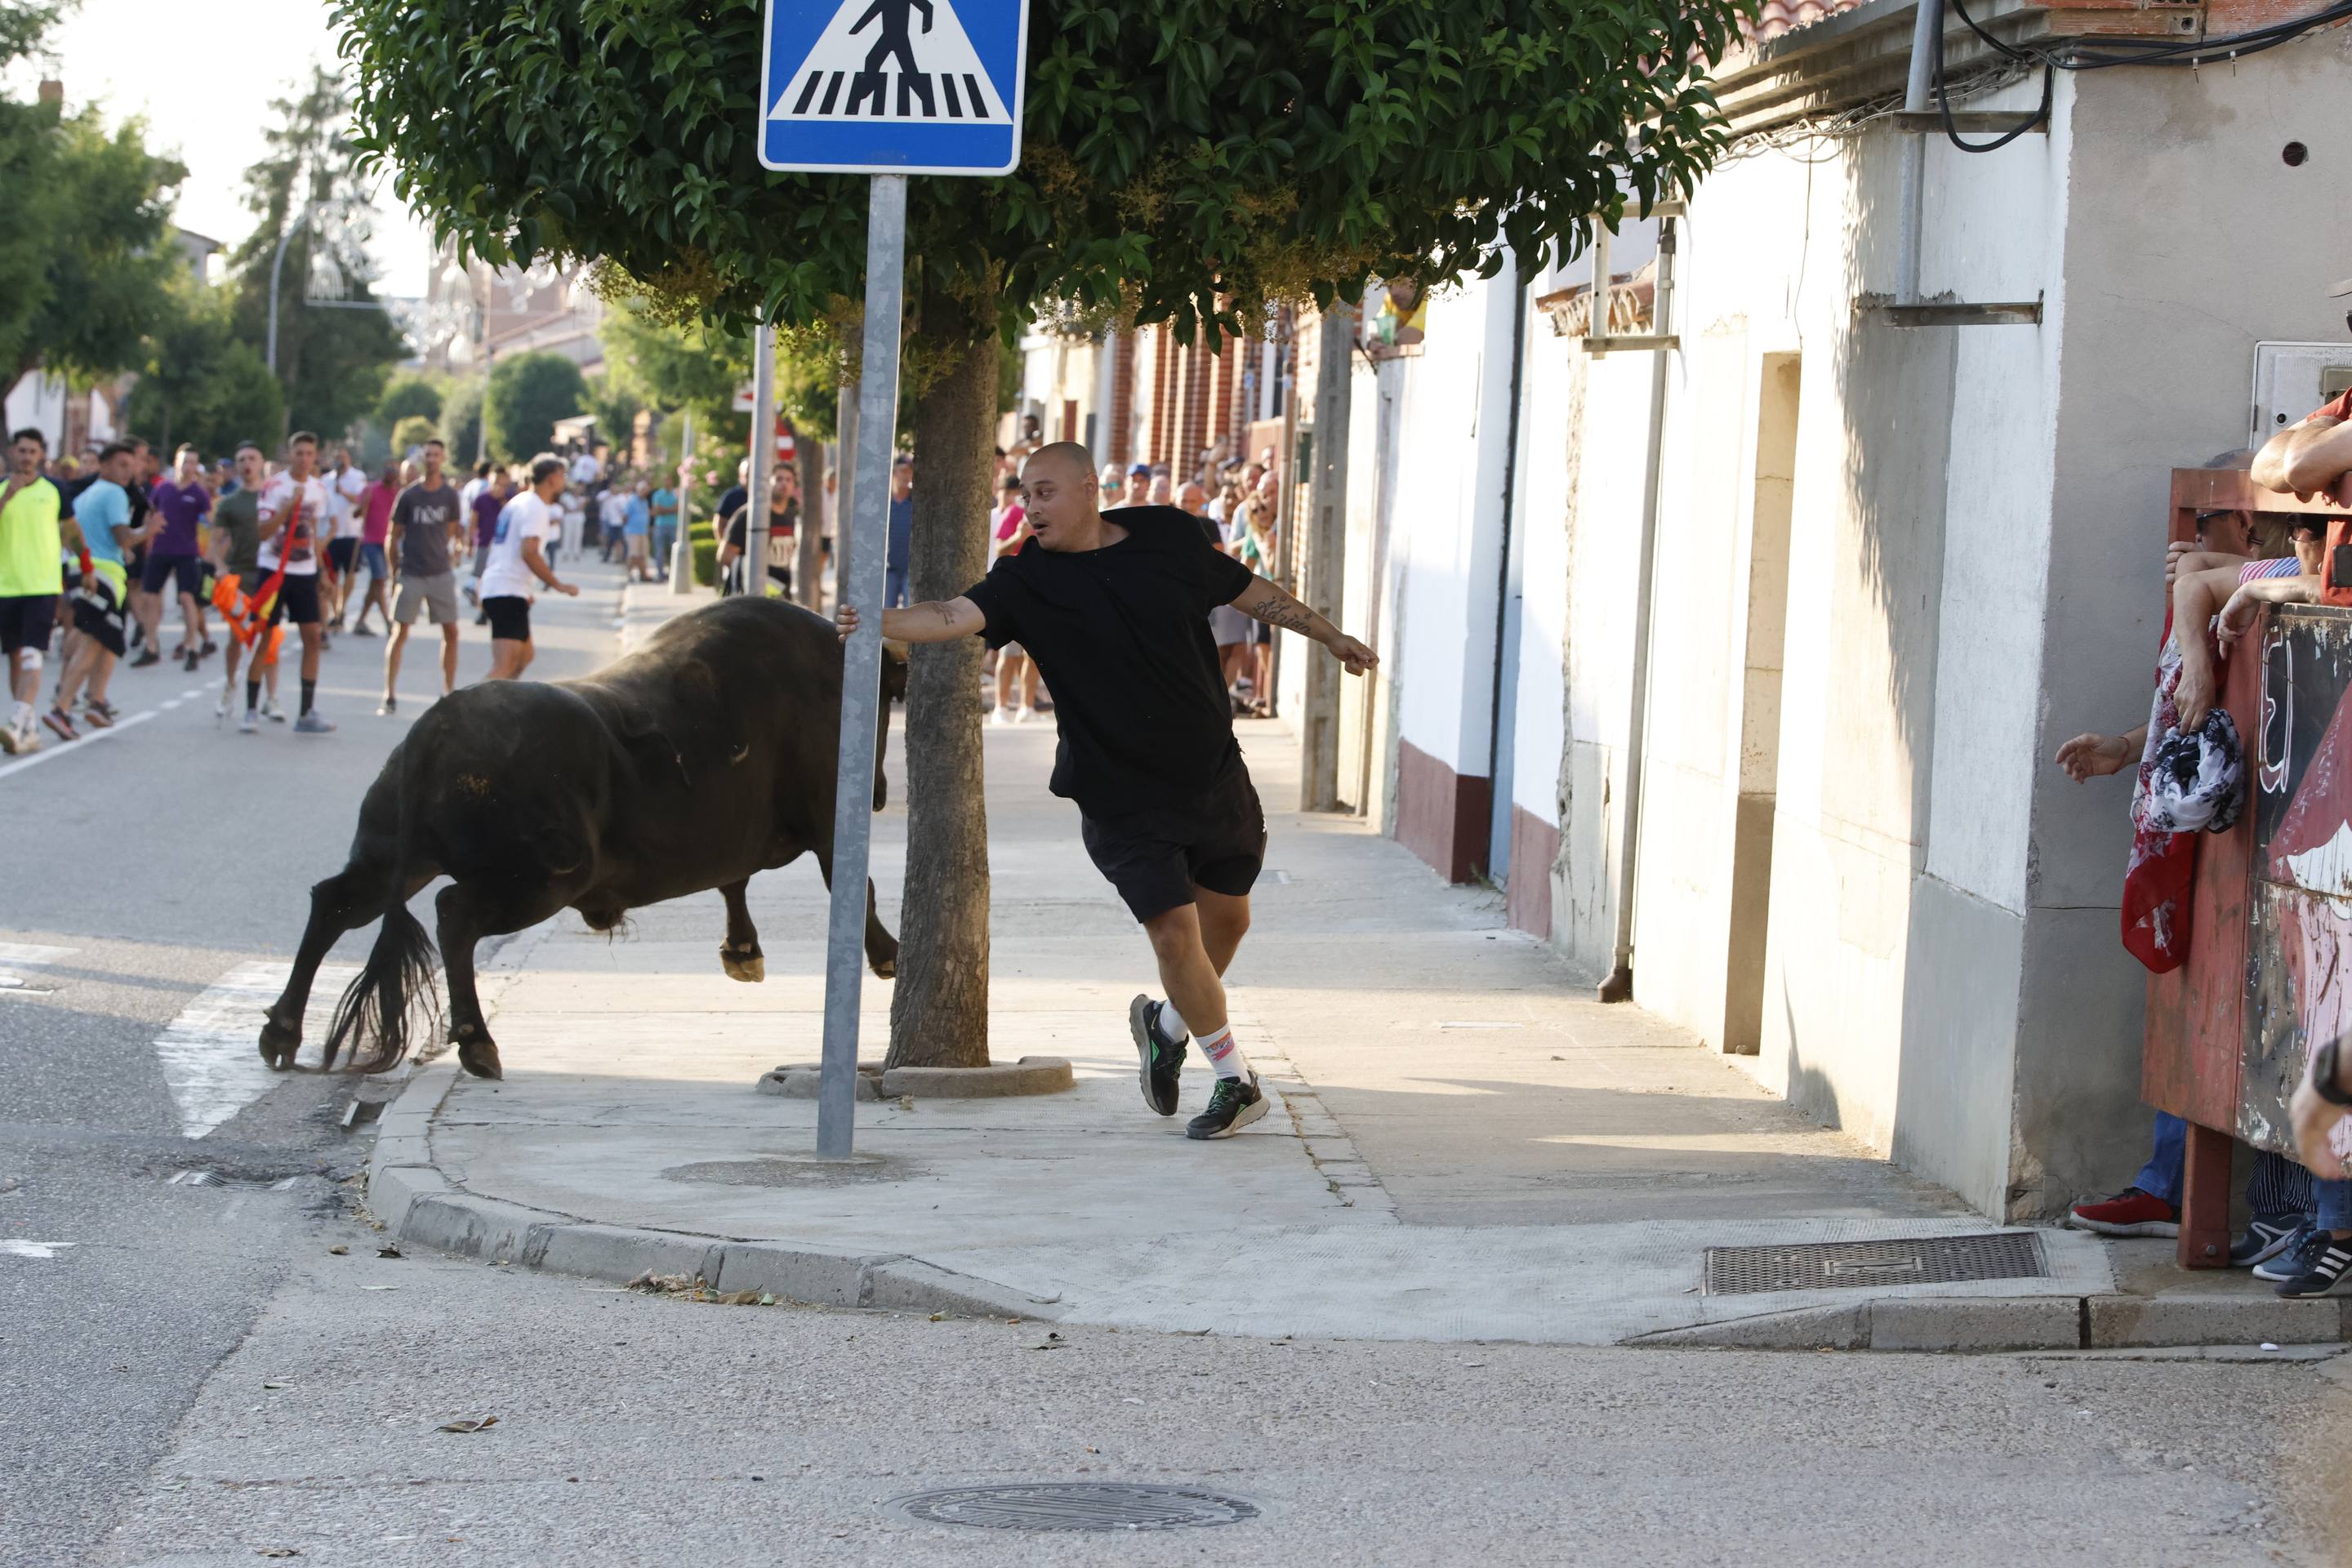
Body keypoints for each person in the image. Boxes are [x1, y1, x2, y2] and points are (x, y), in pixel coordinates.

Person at [835, 442, 1379, 1139]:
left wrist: (1331, 636)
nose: (1030, 507)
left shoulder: (1168, 536)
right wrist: (875, 623)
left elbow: (1250, 592)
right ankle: (1236, 1080)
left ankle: (1166, 1026)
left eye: (1045, 492)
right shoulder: (1024, 580)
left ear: (1090, 488)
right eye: (1024, 494)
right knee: (1175, 935)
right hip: (1118, 794)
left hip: (1213, 777)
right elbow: (949, 615)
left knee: (1228, 925)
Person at [47, 442, 157, 739]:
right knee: (92, 641)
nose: (128, 471)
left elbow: (75, 535)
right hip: (101, 576)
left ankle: (96, 701)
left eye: (130, 466)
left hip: (86, 570)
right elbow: (123, 537)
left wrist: (117, 553)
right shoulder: (114, 493)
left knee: (107, 639)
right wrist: (148, 531)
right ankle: (62, 708)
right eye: (122, 465)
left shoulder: (88, 494)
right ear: (104, 465)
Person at [251, 432, 336, 734]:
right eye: (299, 453)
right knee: (265, 639)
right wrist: (288, 506)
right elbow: (263, 532)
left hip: (305, 572)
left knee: (313, 638)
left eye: (309, 454)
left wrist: (322, 572)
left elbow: (313, 531)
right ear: (290, 455)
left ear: (316, 457)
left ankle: (306, 713)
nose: (304, 459)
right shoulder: (274, 486)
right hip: (274, 570)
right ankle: (251, 710)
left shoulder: (319, 489)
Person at [381, 438, 467, 715]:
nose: (431, 459)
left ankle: (448, 692)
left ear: (443, 459)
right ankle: (389, 694)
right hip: (412, 572)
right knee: (400, 632)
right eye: (427, 455)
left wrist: (451, 550)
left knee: (451, 631)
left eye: (436, 455)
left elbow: (451, 529)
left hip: (440, 571)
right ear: (422, 459)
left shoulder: (450, 495)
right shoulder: (409, 495)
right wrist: (393, 571)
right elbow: (393, 535)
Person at [478, 453, 580, 680]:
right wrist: (558, 585)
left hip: (507, 587)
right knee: (505, 665)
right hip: (506, 589)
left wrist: (525, 590)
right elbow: (529, 552)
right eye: (562, 476)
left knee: (524, 657)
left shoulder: (520, 501)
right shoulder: (535, 507)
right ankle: (473, 704)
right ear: (551, 479)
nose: (564, 483)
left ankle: (503, 701)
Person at [0, 427, 62, 755]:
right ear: (13, 452)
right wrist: (8, 497)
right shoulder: (2, 489)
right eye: (21, 450)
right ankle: (29, 727)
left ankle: (16, 720)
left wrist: (84, 567)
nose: (26, 457)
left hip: (43, 585)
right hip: (7, 586)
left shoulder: (54, 491)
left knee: (31, 654)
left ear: (41, 455)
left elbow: (71, 530)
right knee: (14, 657)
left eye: (32, 451)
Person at [207, 441, 275, 726]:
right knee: (237, 638)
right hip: (240, 574)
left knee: (270, 637)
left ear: (261, 463)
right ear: (236, 466)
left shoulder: (273, 497)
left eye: (252, 458)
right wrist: (221, 568)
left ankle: (271, 698)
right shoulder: (229, 502)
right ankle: (230, 686)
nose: (247, 464)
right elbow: (215, 542)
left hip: (269, 574)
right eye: (242, 460)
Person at [136, 444, 212, 672]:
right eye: (185, 461)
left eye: (193, 462)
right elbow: (149, 513)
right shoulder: (163, 488)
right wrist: (143, 537)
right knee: (150, 596)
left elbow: (211, 522)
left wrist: (213, 551)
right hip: (160, 549)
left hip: (187, 552)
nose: (188, 466)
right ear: (177, 463)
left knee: (187, 598)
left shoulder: (198, 493)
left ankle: (191, 646)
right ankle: (151, 646)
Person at [987, 473, 1041, 724]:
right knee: (1008, 653)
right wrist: (1018, 536)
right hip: (1013, 591)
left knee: (1034, 655)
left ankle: (1026, 707)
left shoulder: (1047, 515)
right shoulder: (1013, 514)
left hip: (1039, 590)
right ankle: (1000, 707)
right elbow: (999, 550)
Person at [719, 466, 796, 598]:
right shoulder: (750, 515)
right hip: (750, 597)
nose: (784, 483)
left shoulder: (790, 515)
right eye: (779, 479)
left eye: (789, 480)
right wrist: (759, 575)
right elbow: (725, 556)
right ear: (768, 483)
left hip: (780, 594)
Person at [349, 461, 401, 637]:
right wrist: (363, 504)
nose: (391, 474)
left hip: (388, 542)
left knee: (375, 584)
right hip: (371, 541)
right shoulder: (370, 489)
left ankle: (360, 621)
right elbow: (356, 514)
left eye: (394, 472)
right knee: (380, 579)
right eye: (389, 471)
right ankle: (387, 620)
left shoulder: (397, 493)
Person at [323, 445, 369, 635]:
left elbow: (360, 500)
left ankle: (343, 605)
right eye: (337, 457)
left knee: (350, 573)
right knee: (331, 575)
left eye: (342, 457)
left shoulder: (357, 477)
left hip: (351, 533)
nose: (339, 460)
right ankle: (336, 612)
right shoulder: (326, 480)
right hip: (331, 534)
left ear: (348, 458)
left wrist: (343, 491)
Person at [469, 464, 512, 622]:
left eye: (502, 484)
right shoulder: (481, 499)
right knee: (482, 578)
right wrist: (469, 543)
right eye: (495, 482)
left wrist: (504, 503)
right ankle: (482, 611)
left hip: (504, 547)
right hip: (484, 543)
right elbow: (473, 521)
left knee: (502, 579)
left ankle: (498, 611)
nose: (498, 487)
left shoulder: (510, 500)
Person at [883, 454, 913, 609]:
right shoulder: (885, 502)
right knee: (887, 612)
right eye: (902, 471)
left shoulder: (916, 501)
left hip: (910, 569)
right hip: (889, 569)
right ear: (894, 473)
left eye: (909, 471)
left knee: (911, 611)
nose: (906, 475)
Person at [650, 474, 679, 576]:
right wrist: (670, 509)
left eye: (669, 480)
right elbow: (657, 510)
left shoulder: (675, 494)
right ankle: (660, 574)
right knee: (659, 550)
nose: (667, 482)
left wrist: (664, 510)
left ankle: (673, 573)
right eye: (665, 480)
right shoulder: (658, 494)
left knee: (674, 551)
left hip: (673, 524)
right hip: (660, 525)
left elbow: (677, 509)